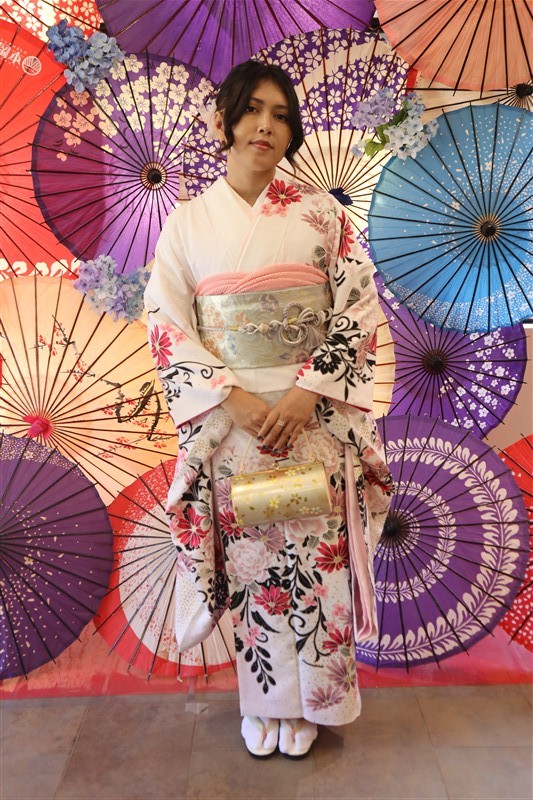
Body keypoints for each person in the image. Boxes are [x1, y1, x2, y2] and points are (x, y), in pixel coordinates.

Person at [144, 60, 392, 758]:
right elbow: (167, 322)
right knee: (256, 566)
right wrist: (234, 398)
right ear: (222, 121)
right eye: (252, 110)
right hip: (234, 420)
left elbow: (357, 308)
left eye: (281, 115)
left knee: (317, 560)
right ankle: (264, 703)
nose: (265, 125)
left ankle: (316, 702)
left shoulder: (323, 216)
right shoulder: (187, 223)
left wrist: (308, 390)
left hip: (312, 415)